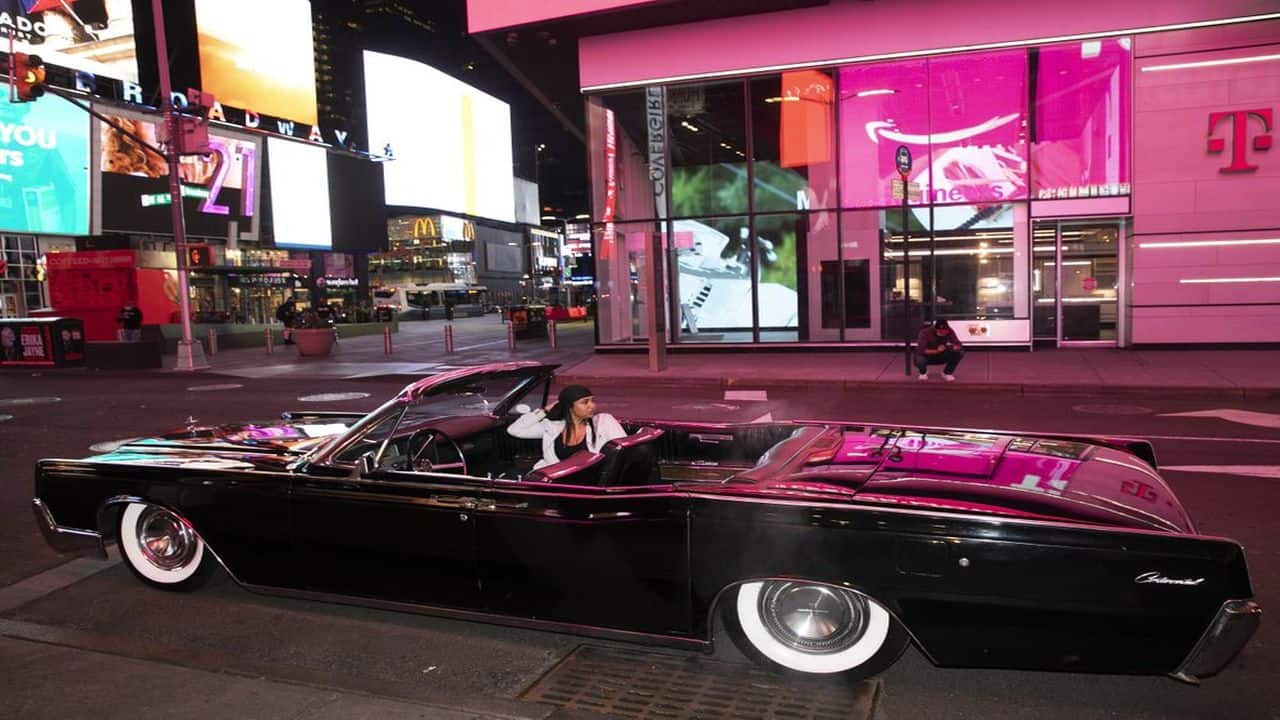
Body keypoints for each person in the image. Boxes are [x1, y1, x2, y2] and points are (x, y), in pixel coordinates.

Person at [507, 385, 626, 469]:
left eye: (592, 400)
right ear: (569, 406)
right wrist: (544, 411)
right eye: (585, 402)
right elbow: (514, 430)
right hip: (556, 483)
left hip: (590, 482)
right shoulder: (552, 427)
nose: (592, 406)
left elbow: (623, 452)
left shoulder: (603, 421)